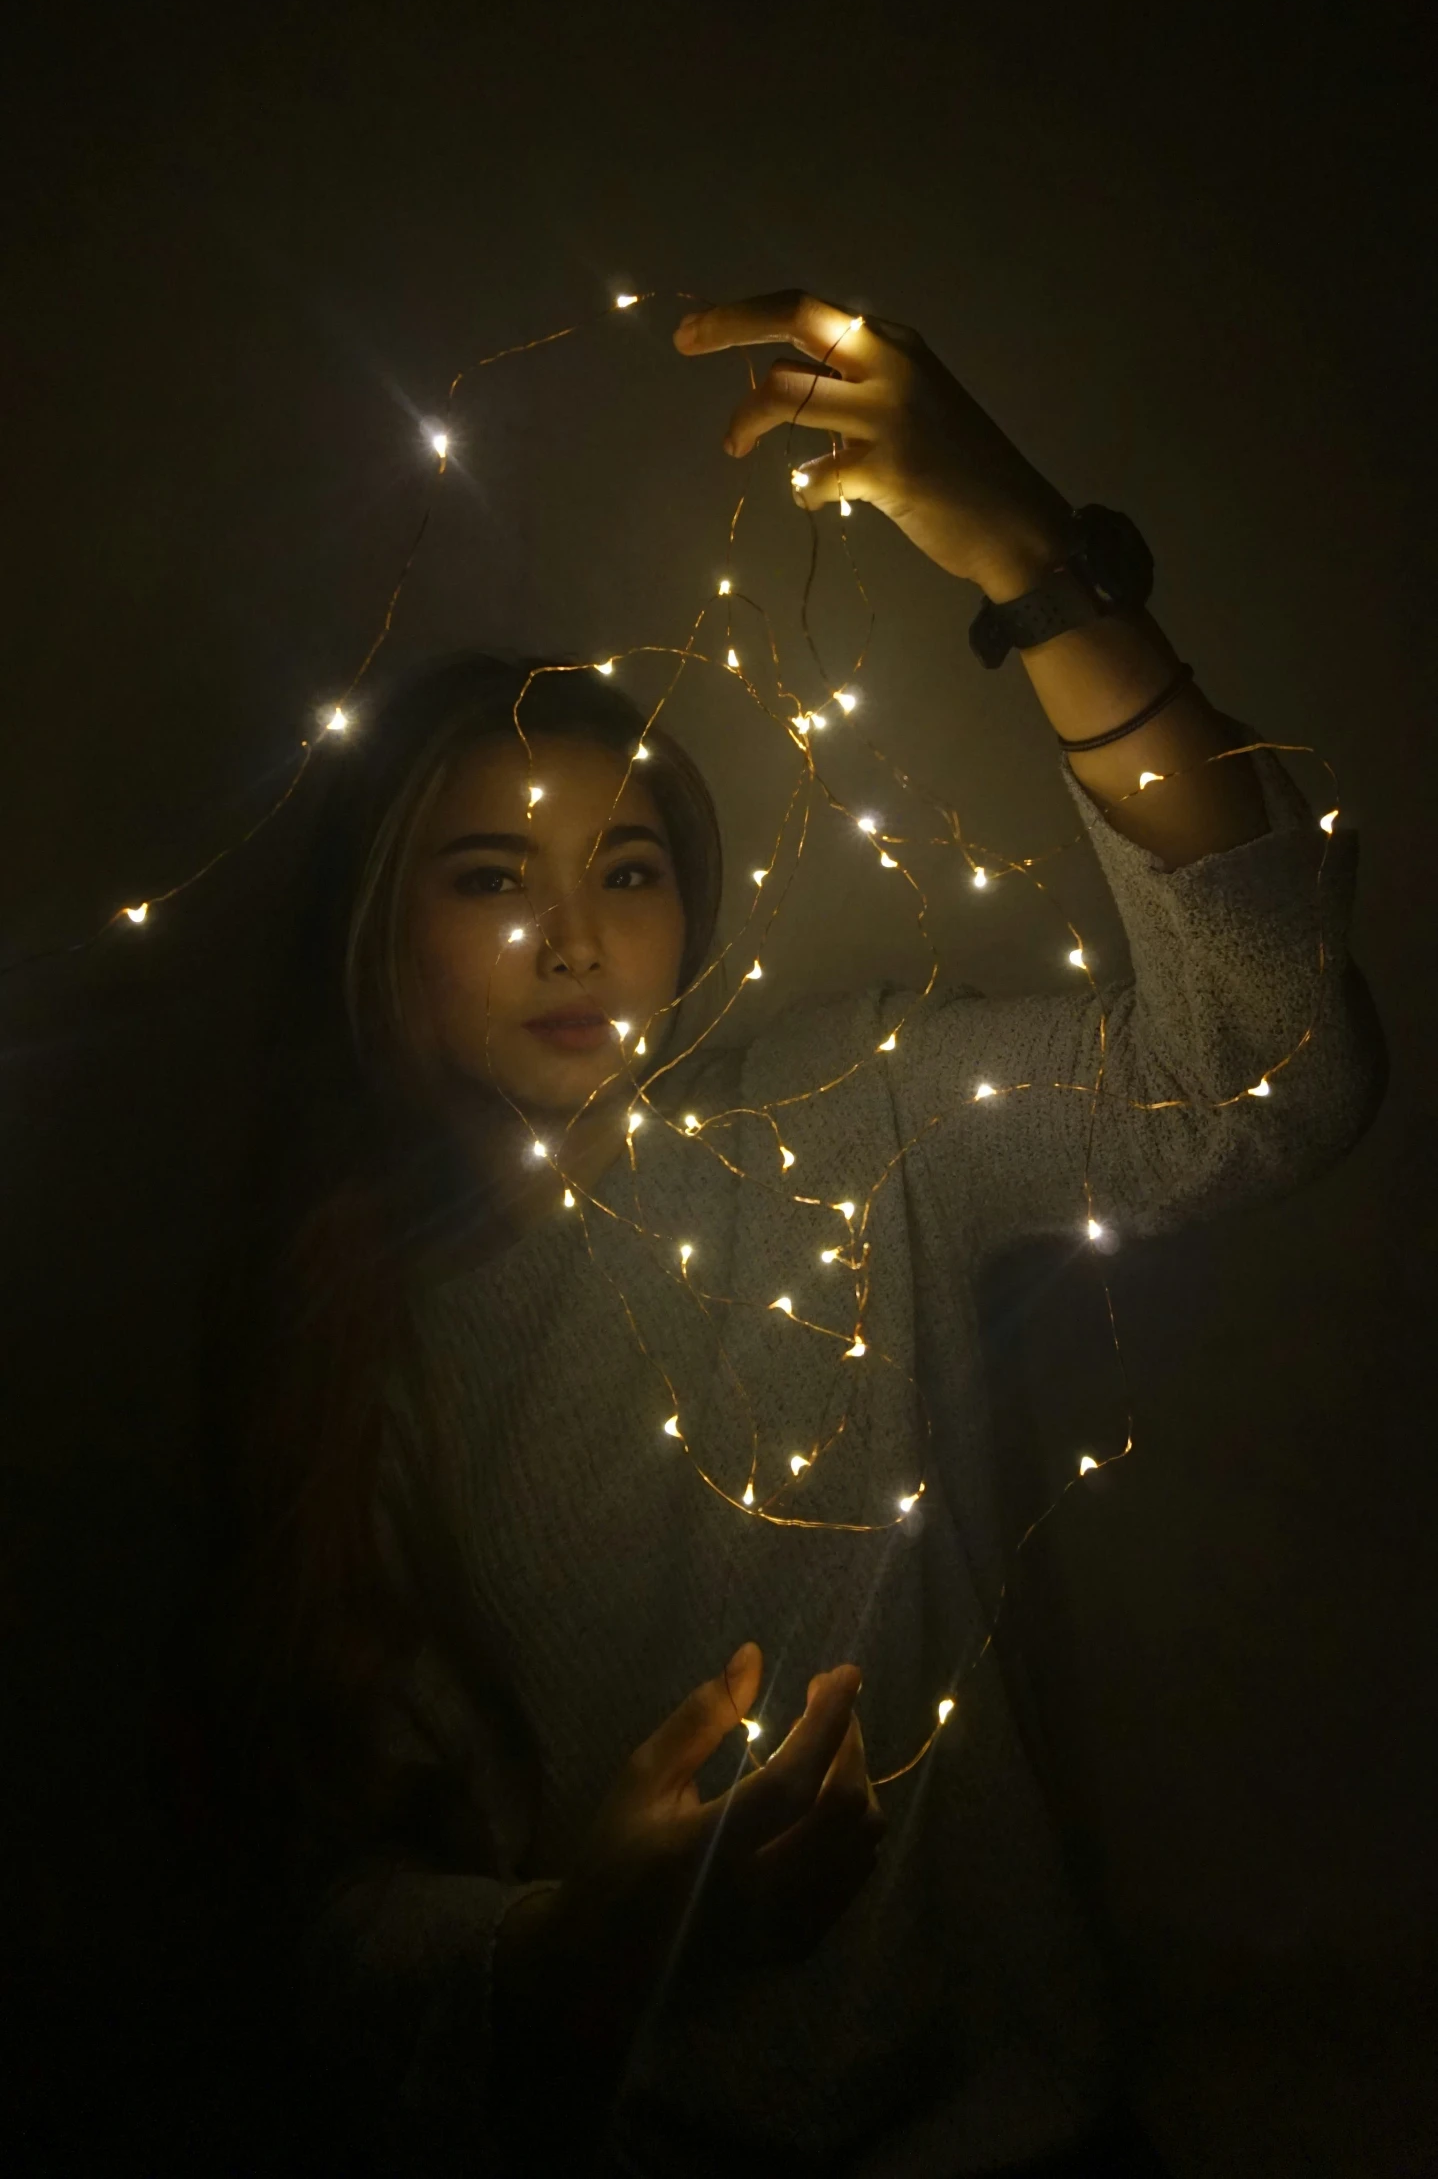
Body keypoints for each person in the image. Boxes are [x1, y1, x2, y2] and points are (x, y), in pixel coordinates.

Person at [178, 291, 1387, 2177]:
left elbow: (1270, 1071)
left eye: (629, 869)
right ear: (377, 929)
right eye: (491, 875)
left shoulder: (850, 1120)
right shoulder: (351, 1337)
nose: (576, 938)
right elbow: (316, 1923)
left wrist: (1026, 559)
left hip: (1026, 2136)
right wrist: (580, 1941)